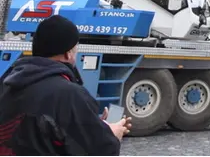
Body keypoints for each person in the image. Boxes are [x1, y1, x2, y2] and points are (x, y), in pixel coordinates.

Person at [0, 14, 130, 154]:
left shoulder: (7, 82)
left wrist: (93, 122)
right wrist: (112, 135)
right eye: (76, 48)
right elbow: (98, 149)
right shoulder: (69, 95)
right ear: (68, 54)